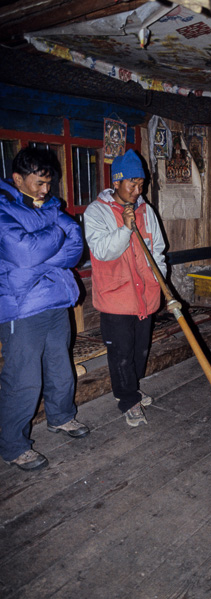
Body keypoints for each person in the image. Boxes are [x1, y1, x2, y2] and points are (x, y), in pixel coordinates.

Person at [0, 147, 89, 472]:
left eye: (48, 184)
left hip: (54, 299)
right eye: (38, 183)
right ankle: (13, 445)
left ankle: (61, 416)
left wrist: (41, 253)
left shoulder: (51, 204)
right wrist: (55, 233)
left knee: (59, 365)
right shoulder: (2, 206)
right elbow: (24, 252)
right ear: (18, 179)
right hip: (21, 307)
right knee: (23, 377)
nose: (45, 191)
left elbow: (76, 243)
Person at [84, 149, 166, 428]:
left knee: (139, 351)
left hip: (145, 295)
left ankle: (132, 388)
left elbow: (158, 251)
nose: (137, 189)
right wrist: (126, 229)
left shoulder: (146, 209)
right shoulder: (96, 211)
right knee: (120, 353)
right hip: (116, 297)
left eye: (141, 184)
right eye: (132, 183)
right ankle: (128, 400)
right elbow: (103, 251)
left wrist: (160, 280)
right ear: (116, 182)